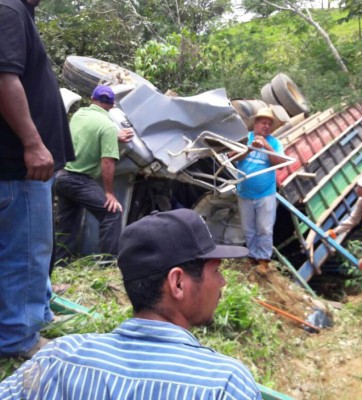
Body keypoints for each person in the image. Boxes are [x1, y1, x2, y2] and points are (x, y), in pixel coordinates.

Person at [0, 209, 262, 399]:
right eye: (216, 271)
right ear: (178, 283)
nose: (223, 282)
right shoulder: (224, 385)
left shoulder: (59, 358)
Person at [0, 0, 75, 358]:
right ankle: (19, 338)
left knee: (31, 249)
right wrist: (33, 144)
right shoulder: (8, 9)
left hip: (23, 168)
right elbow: (3, 77)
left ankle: (37, 312)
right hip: (20, 165)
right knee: (25, 252)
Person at [55, 85, 133, 264]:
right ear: (112, 105)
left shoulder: (79, 115)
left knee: (68, 222)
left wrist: (115, 137)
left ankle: (60, 263)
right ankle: (107, 263)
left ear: (91, 99)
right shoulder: (108, 127)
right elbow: (107, 161)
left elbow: (88, 134)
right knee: (112, 213)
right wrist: (109, 193)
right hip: (79, 181)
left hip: (62, 177)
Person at [233, 107, 285, 273]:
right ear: (255, 123)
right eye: (263, 122)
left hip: (266, 193)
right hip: (244, 192)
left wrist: (267, 146)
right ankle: (252, 257)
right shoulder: (244, 138)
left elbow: (279, 163)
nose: (266, 126)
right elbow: (231, 157)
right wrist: (249, 147)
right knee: (248, 229)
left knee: (264, 228)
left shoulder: (275, 143)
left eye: (269, 124)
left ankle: (263, 259)